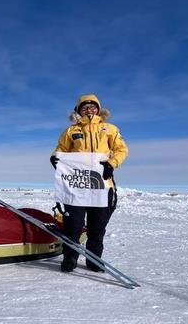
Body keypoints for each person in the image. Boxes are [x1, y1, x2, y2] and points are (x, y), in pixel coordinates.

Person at [50, 94, 128, 272]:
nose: (89, 109)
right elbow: (61, 149)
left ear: (99, 109)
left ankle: (94, 261)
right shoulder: (71, 131)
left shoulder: (109, 129)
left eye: (92, 106)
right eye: (84, 107)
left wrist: (111, 163)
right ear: (78, 110)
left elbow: (121, 150)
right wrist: (55, 159)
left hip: (102, 186)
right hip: (76, 187)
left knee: (97, 228)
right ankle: (70, 259)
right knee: (73, 227)